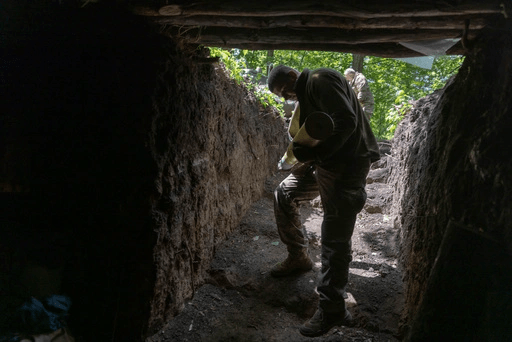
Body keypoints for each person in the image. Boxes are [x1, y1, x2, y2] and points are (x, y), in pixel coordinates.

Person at [267, 65, 380, 337]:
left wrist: (316, 155)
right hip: (326, 163)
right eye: (282, 96)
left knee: (334, 237)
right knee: (285, 193)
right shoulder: (307, 95)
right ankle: (298, 257)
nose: (286, 99)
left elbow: (346, 121)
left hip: (347, 165)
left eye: (284, 91)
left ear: (293, 77)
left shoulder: (319, 80)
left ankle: (333, 310)